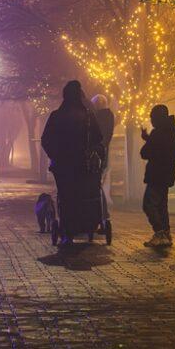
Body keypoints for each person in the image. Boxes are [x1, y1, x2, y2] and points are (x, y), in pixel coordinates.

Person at [41, 81, 105, 246]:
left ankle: (67, 232)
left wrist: (56, 155)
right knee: (81, 196)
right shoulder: (88, 116)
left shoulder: (56, 116)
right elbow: (98, 138)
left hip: (62, 166)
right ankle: (83, 225)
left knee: (65, 197)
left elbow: (46, 140)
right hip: (83, 164)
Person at [140, 104, 175, 248]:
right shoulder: (170, 133)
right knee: (162, 205)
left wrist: (148, 140)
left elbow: (145, 153)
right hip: (166, 175)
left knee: (149, 204)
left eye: (152, 117)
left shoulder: (158, 134)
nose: (151, 120)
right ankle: (166, 233)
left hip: (156, 175)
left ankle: (160, 232)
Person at [90, 94, 115, 207]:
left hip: (95, 152)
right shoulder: (110, 116)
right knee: (101, 178)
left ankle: (98, 205)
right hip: (104, 151)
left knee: (95, 181)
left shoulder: (95, 117)